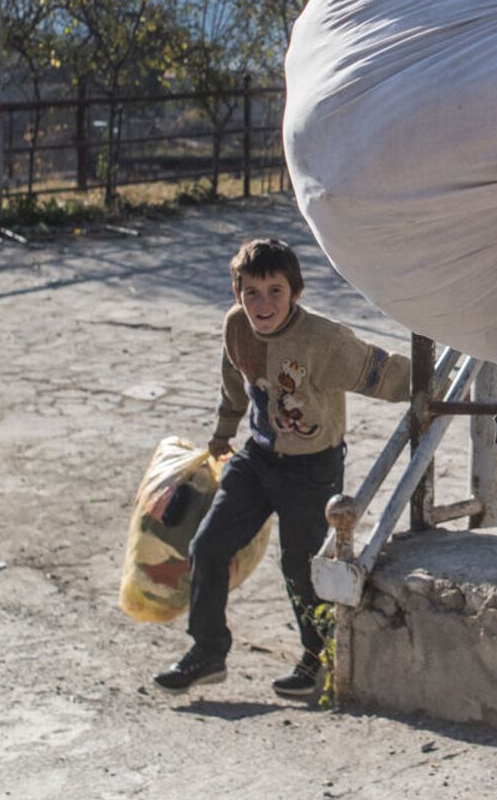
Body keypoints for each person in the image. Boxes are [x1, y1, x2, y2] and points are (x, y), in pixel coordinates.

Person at [153, 237, 411, 698]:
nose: (263, 303)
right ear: (237, 294)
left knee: (300, 566)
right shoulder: (236, 327)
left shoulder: (323, 339)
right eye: (251, 291)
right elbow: (233, 380)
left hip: (312, 469)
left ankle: (319, 663)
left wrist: (440, 386)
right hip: (258, 458)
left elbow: (382, 372)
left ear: (295, 292)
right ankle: (208, 651)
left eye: (275, 290)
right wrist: (222, 432)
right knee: (209, 546)